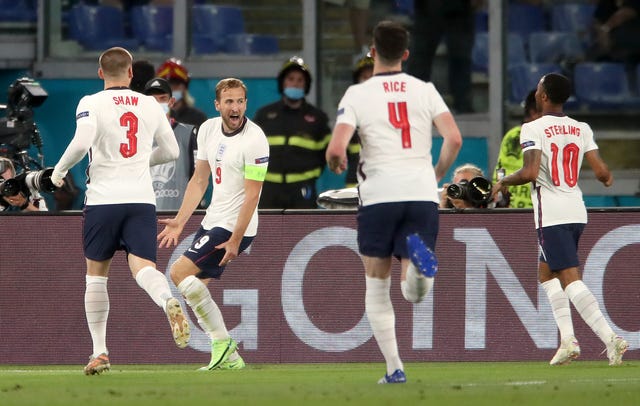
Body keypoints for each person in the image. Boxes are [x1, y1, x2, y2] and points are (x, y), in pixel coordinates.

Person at [326, 21, 462, 383]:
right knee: (411, 292)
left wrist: (336, 159)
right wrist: (434, 175)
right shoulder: (426, 90)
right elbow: (454, 139)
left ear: (372, 51)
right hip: (420, 193)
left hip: (378, 196)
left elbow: (337, 148)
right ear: (405, 54)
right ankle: (417, 269)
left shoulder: (357, 94)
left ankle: (395, 368)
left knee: (376, 282)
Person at [49, 47, 189, 375]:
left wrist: (58, 171)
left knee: (96, 277)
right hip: (140, 200)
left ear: (100, 73)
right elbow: (170, 150)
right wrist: (140, 160)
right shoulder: (149, 104)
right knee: (142, 268)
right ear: (130, 74)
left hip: (103, 200)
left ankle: (100, 352)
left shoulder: (90, 103)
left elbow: (82, 144)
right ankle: (167, 299)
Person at [491, 73, 628, 366]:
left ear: (542, 96)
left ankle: (611, 338)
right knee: (546, 274)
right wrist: (606, 178)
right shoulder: (581, 128)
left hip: (551, 214)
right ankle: (568, 341)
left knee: (568, 279)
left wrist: (503, 182)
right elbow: (603, 173)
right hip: (576, 210)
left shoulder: (532, 128)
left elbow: (529, 172)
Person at [157, 78, 269, 371]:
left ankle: (223, 342)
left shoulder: (255, 139)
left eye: (240, 101)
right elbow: (199, 179)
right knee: (193, 290)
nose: (235, 108)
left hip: (234, 225)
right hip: (212, 219)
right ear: (217, 105)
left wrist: (235, 239)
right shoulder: (206, 129)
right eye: (229, 102)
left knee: (179, 272)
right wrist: (181, 221)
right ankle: (230, 357)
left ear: (246, 103)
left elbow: (252, 195)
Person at [253, 56, 331, 209]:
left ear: (306, 85)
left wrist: (308, 177)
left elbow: (325, 155)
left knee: (302, 232)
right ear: (283, 83)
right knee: (266, 232)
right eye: (290, 79)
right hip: (268, 190)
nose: (295, 83)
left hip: (302, 190)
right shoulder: (264, 115)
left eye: (300, 80)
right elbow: (251, 151)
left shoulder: (318, 118)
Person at [406, 0, 480, 113]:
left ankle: (463, 105)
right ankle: (413, 106)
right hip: (428, 6)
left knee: (460, 59)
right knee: (420, 60)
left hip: (460, 8)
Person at [144, 77, 197, 210]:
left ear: (171, 102)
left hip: (179, 215)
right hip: (143, 214)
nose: (157, 104)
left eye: (162, 99)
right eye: (152, 100)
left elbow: (197, 178)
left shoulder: (189, 133)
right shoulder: (135, 136)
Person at [493, 89, 541, 208]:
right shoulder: (515, 136)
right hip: (531, 210)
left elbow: (500, 170)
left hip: (513, 208)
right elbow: (502, 168)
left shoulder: (512, 134)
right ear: (533, 112)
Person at [344, 54, 374, 188]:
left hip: (384, 187)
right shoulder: (349, 109)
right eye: (364, 77)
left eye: (372, 77)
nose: (368, 82)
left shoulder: (393, 108)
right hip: (354, 186)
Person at [156, 58, 208, 128]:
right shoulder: (153, 116)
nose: (171, 89)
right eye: (167, 85)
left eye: (176, 84)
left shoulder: (198, 118)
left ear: (185, 88)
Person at [590, 0, 640, 65]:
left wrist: (605, 29)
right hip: (612, 43)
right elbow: (597, 20)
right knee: (593, 52)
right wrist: (602, 34)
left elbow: (625, 14)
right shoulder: (607, 2)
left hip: (633, 41)